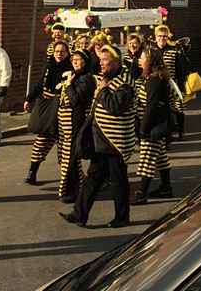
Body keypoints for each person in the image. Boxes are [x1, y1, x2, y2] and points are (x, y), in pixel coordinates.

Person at [59, 45, 135, 228]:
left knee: (119, 182)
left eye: (105, 61)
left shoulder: (125, 83)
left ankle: (122, 217)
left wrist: (103, 91)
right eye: (100, 60)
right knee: (92, 179)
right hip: (101, 140)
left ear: (116, 62)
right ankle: (79, 214)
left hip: (115, 140)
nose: (101, 64)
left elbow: (116, 107)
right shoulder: (105, 79)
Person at [24, 41, 72, 185]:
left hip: (61, 107)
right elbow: (40, 83)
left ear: (67, 53)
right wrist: (29, 98)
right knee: (42, 139)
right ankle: (32, 172)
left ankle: (69, 178)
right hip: (46, 106)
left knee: (63, 143)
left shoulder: (70, 68)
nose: (59, 54)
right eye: (57, 51)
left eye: (62, 51)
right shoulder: (49, 65)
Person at [132, 48, 172, 204]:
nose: (139, 61)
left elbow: (151, 107)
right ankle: (166, 187)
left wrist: (144, 129)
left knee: (146, 159)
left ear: (150, 61)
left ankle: (142, 193)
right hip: (157, 125)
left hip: (153, 126)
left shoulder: (154, 80)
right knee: (161, 157)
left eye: (142, 58)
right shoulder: (154, 78)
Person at [57, 49, 96, 203]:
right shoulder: (75, 76)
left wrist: (67, 86)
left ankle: (71, 191)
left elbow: (75, 101)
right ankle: (77, 187)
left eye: (78, 59)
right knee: (69, 157)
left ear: (85, 62)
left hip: (77, 122)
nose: (74, 61)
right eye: (73, 59)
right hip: (67, 123)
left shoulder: (86, 79)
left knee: (72, 157)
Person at [153, 25, 186, 138]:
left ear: (168, 37)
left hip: (172, 85)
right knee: (162, 110)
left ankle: (181, 131)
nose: (162, 38)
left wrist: (181, 87)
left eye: (165, 36)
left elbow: (180, 70)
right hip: (157, 85)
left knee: (178, 109)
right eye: (160, 36)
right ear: (156, 37)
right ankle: (167, 133)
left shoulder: (174, 51)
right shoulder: (152, 51)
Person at [123, 33, 145, 138]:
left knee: (141, 113)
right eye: (130, 43)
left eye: (135, 43)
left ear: (140, 44)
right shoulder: (125, 57)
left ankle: (142, 135)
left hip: (142, 88)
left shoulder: (144, 56)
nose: (132, 45)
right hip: (130, 89)